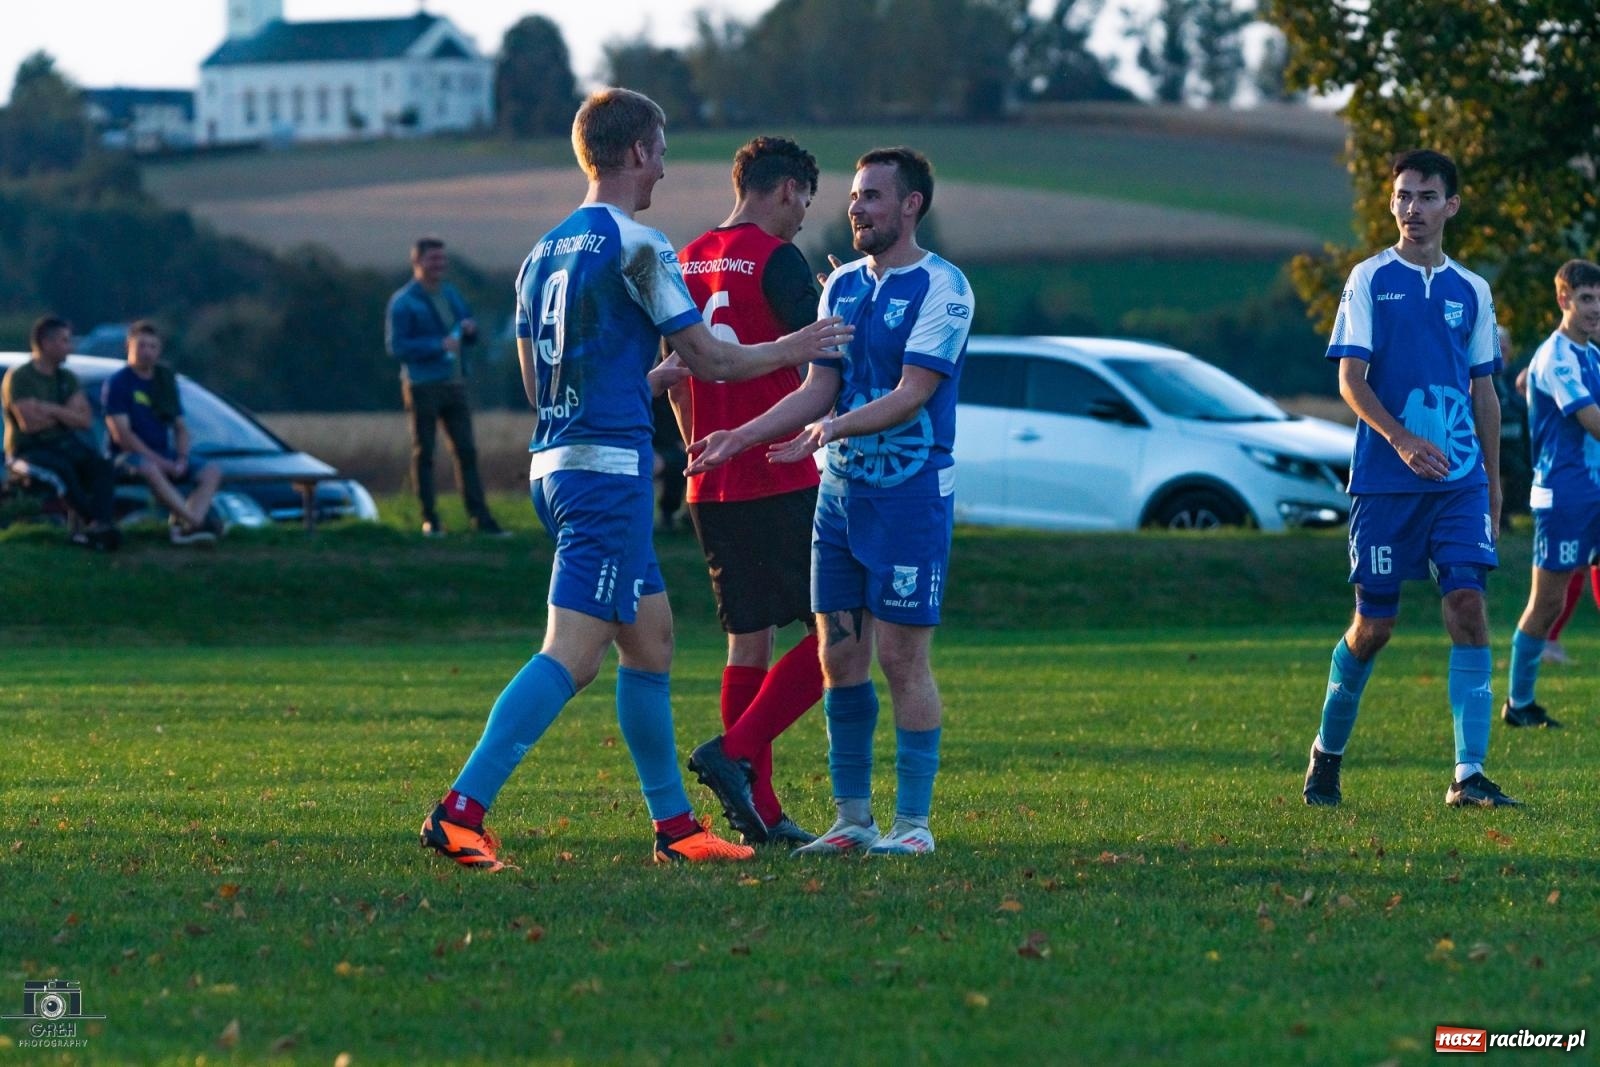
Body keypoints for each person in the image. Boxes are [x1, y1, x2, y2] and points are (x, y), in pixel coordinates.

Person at [416, 88, 851, 871]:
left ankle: (677, 830)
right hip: (606, 476)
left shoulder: (540, 252)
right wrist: (802, 345)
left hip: (556, 463)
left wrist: (632, 389)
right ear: (637, 151)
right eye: (661, 149)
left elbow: (538, 377)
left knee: (650, 646)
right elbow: (711, 358)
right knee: (572, 655)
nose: (665, 166)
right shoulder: (638, 245)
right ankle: (460, 810)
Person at [688, 146, 974, 856]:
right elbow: (817, 388)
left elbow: (912, 393)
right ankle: (852, 820)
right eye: (854, 196)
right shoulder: (841, 286)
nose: (856, 208)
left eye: (873, 197)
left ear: (911, 207)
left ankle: (913, 824)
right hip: (840, 501)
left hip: (909, 500)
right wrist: (737, 436)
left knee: (904, 660)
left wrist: (835, 426)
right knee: (837, 657)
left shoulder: (945, 287)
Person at [1302, 149, 1517, 809]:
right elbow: (1350, 379)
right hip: (1385, 483)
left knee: (1469, 610)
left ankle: (1468, 774)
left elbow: (1484, 391)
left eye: (1427, 197)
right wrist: (1399, 438)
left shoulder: (1472, 291)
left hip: (1457, 483)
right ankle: (1326, 756)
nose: (1413, 210)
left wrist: (1492, 481)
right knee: (1375, 626)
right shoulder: (1370, 280)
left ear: (1452, 204)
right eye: (1403, 197)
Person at [670, 136, 826, 847]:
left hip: (711, 480)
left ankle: (758, 808)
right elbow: (823, 362)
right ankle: (735, 753)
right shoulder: (778, 259)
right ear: (788, 189)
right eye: (805, 202)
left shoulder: (685, 257)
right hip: (779, 467)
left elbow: (674, 373)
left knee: (747, 640)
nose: (802, 218)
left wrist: (696, 444)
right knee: (843, 630)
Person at [1500, 259, 1600, 729]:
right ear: (1563, 299)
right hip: (1564, 495)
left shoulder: (1591, 355)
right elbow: (1592, 423)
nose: (1595, 309)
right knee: (1548, 603)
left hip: (1593, 492)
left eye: (1599, 299)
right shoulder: (1557, 358)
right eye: (1586, 299)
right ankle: (1519, 703)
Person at [385, 237, 506, 538]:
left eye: (442, 260)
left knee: (466, 452)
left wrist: (470, 330)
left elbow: (468, 325)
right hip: (422, 385)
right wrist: (436, 346)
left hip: (455, 383)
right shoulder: (403, 301)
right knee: (424, 453)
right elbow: (396, 347)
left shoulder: (450, 294)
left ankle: (481, 519)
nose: (440, 265)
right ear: (418, 262)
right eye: (433, 260)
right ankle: (430, 520)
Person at [1, 316, 119, 550]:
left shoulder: (66, 378)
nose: (71, 347)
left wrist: (48, 408)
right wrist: (65, 413)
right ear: (46, 343)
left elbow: (84, 420)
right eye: (65, 341)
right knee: (63, 473)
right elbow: (30, 425)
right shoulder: (20, 378)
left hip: (62, 444)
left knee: (101, 466)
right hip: (29, 450)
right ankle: (94, 525)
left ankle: (100, 525)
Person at [102, 321, 223, 545]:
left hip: (163, 452)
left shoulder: (164, 381)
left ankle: (185, 528)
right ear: (129, 347)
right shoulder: (118, 384)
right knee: (150, 468)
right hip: (126, 457)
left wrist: (182, 458)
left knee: (211, 471)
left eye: (152, 347)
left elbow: (180, 427)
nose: (147, 352)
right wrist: (162, 463)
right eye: (141, 346)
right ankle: (196, 523)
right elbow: (123, 436)